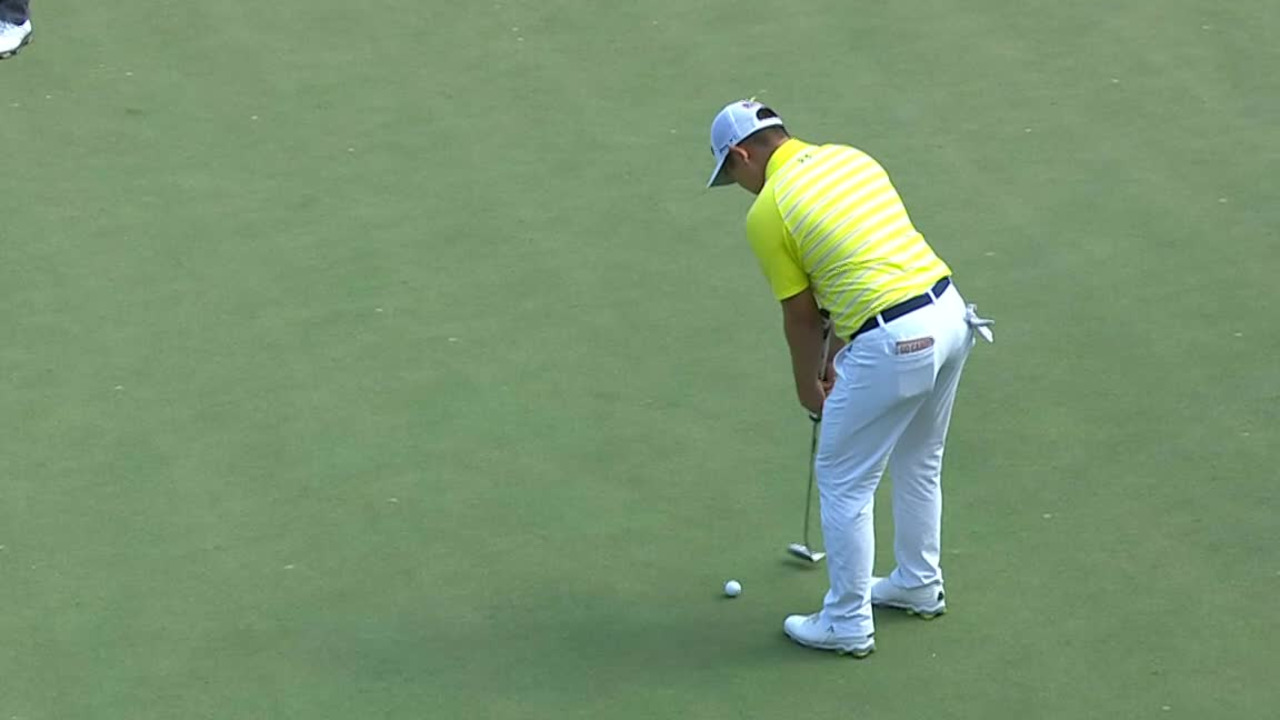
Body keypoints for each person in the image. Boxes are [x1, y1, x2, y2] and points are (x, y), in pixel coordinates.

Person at [705, 99, 991, 657]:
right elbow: (857, 271)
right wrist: (834, 359)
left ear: (742, 154)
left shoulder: (769, 211)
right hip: (951, 316)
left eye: (731, 174)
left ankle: (847, 621)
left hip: (897, 341)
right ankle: (918, 582)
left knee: (842, 480)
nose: (738, 185)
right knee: (918, 459)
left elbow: (801, 315)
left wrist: (807, 384)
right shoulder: (851, 159)